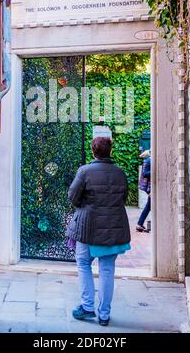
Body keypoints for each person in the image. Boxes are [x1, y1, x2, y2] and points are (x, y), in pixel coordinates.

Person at [66, 137, 131, 326]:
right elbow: (124, 197)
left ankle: (87, 307)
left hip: (88, 226)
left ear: (93, 152)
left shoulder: (85, 171)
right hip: (113, 226)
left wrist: (85, 206)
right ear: (110, 151)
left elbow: (72, 196)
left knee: (83, 263)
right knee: (107, 269)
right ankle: (104, 314)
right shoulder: (120, 172)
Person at [136, 150, 151, 233]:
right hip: (150, 187)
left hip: (150, 187)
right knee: (149, 206)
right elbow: (145, 174)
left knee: (149, 206)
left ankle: (139, 224)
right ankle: (139, 224)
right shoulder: (149, 160)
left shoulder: (148, 160)